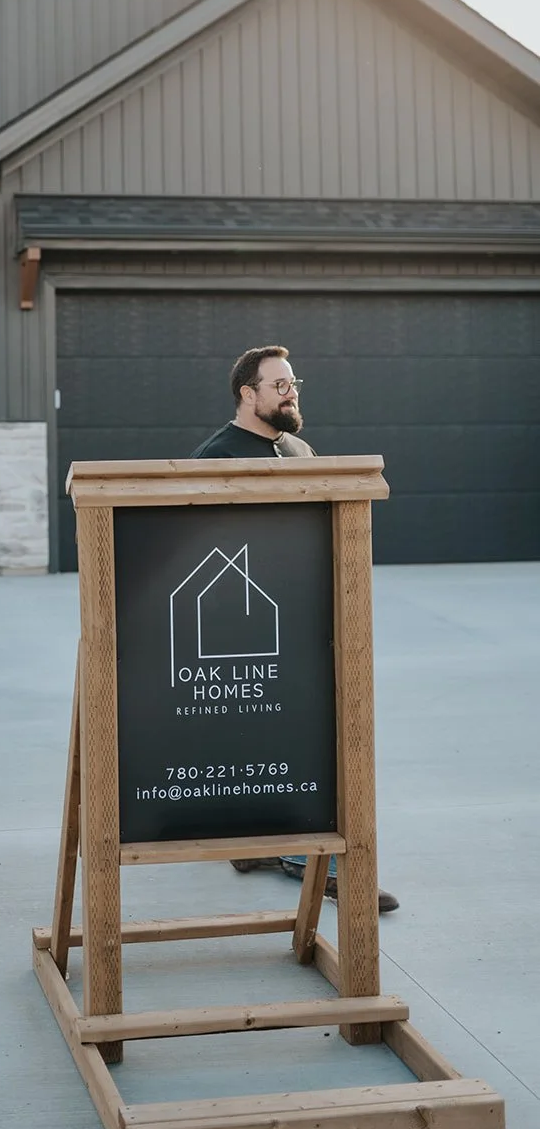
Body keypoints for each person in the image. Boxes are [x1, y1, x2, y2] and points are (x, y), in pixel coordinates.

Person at [192, 345, 399, 914]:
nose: (291, 392)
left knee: (316, 741)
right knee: (260, 742)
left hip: (312, 618)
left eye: (293, 383)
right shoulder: (217, 457)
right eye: (278, 384)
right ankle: (294, 855)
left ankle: (291, 854)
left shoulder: (300, 450)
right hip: (248, 628)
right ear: (247, 394)